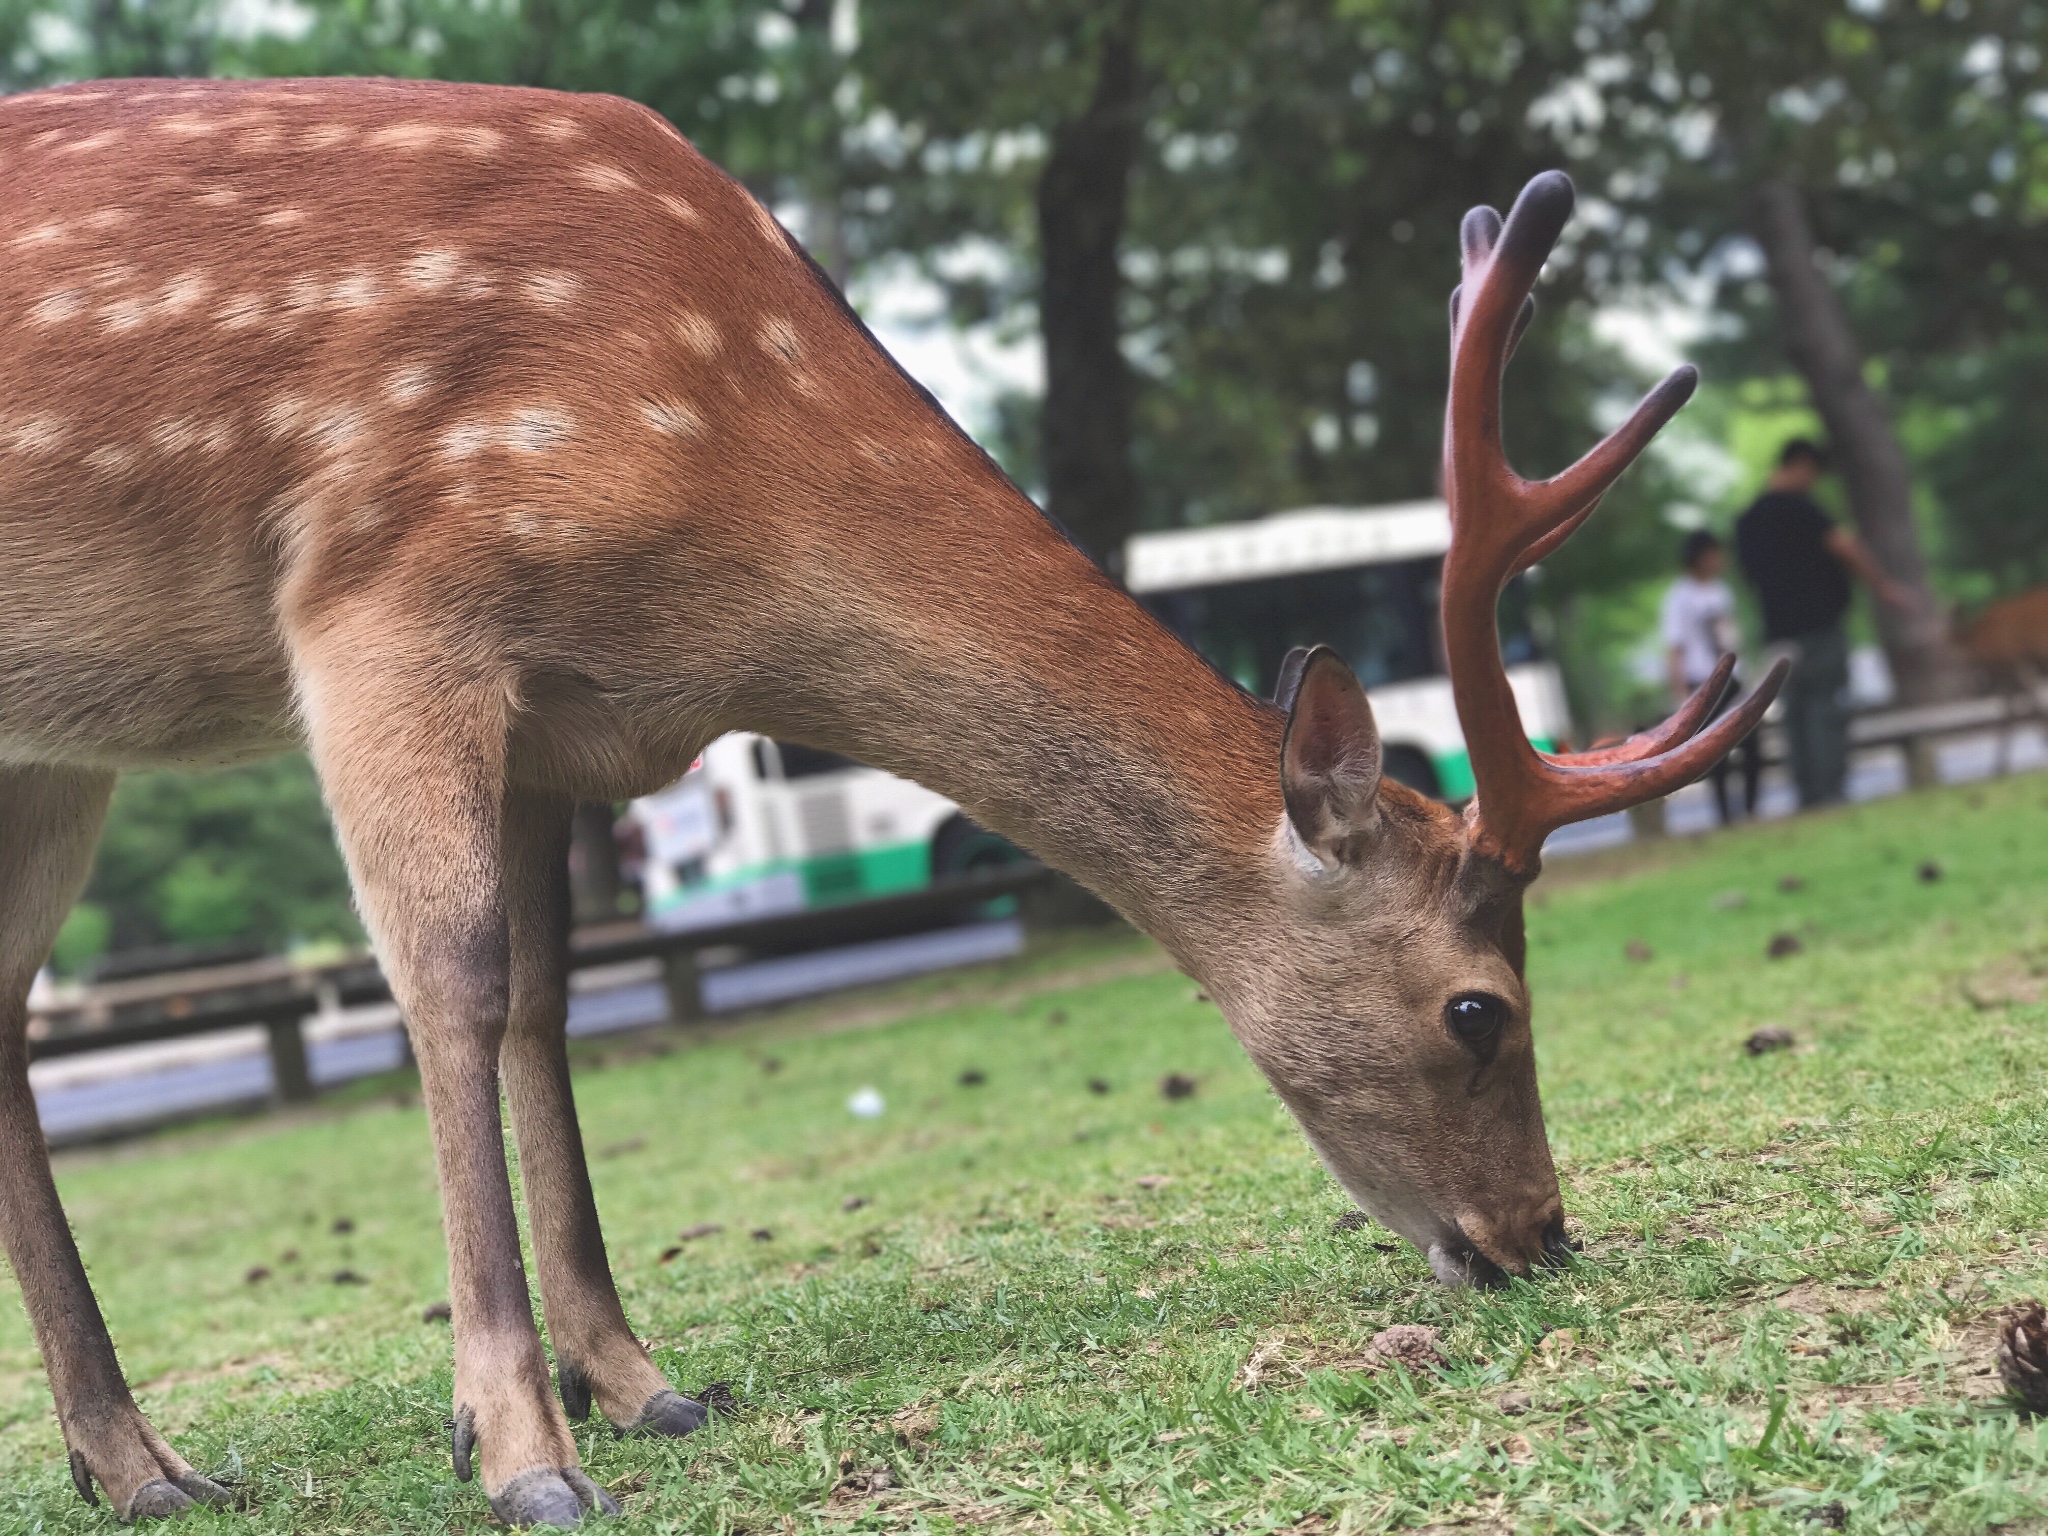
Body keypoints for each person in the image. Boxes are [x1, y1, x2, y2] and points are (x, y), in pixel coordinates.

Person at [1734, 439, 1917, 808]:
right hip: (1819, 627)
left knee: (1795, 713)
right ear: (1801, 465)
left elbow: (1750, 577)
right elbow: (1846, 547)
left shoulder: (1748, 520)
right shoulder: (1804, 510)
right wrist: (1883, 587)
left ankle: (1807, 794)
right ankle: (1829, 793)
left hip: (1778, 633)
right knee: (1825, 707)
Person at [1660, 529, 1759, 824]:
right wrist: (1680, 693)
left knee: (1750, 745)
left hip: (1731, 677)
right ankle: (1725, 815)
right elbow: (1675, 647)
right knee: (1715, 752)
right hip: (1702, 681)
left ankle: (1751, 811)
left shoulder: (1720, 591)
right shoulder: (1680, 597)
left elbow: (1730, 636)